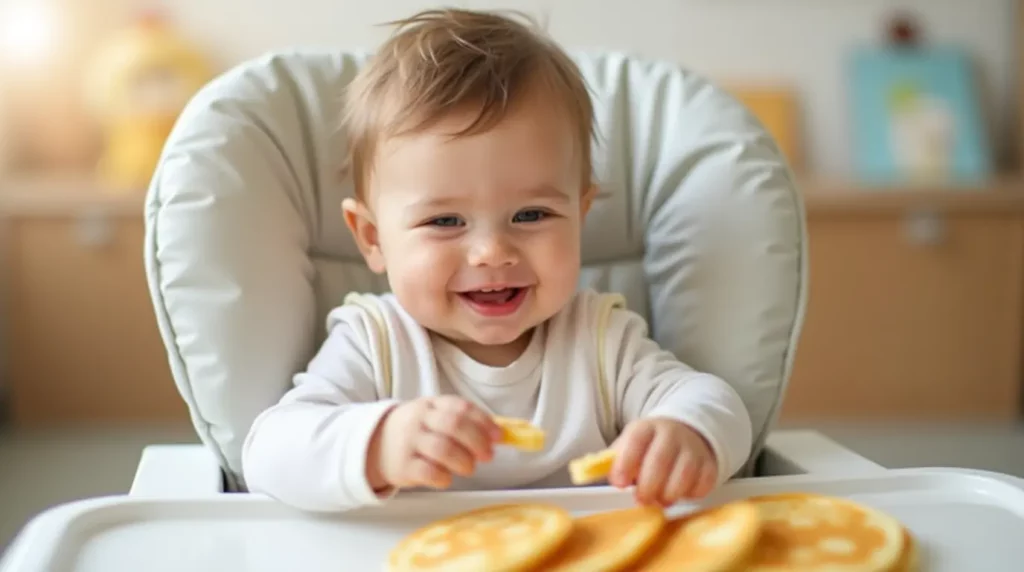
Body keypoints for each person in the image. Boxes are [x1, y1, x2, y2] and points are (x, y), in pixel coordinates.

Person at [241, 7, 752, 512]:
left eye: (531, 214)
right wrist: (380, 443)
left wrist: (687, 432)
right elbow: (269, 452)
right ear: (373, 238)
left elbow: (714, 402)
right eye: (445, 222)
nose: (492, 252)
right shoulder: (376, 345)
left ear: (580, 213)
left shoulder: (601, 343)